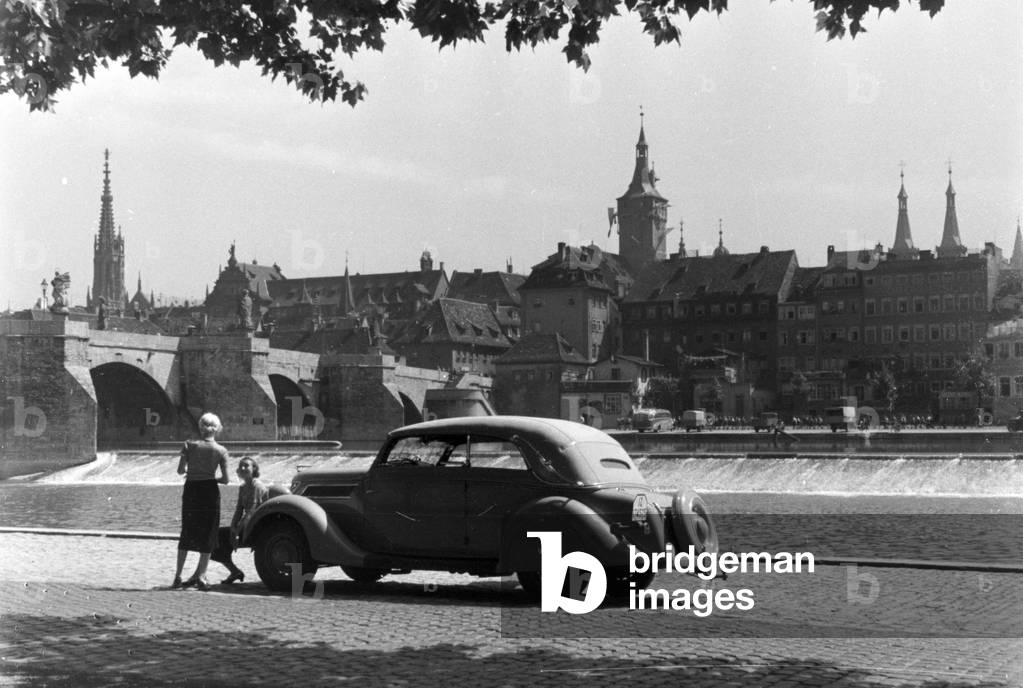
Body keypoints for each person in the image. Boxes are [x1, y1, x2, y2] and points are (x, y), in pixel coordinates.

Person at [172, 412, 229, 591]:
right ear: (217, 429)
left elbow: (180, 471)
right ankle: (202, 576)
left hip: (191, 490)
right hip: (210, 491)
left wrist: (192, 472)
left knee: (187, 531)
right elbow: (226, 479)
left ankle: (177, 576)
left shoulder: (189, 445)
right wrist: (211, 477)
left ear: (200, 427)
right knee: (209, 533)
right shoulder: (221, 450)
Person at [211, 456, 270, 584]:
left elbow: (251, 511)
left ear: (254, 469)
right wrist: (233, 527)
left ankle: (234, 572)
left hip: (258, 527)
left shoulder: (257, 486)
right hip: (247, 525)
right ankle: (235, 571)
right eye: (240, 466)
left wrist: (237, 532)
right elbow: (239, 510)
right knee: (216, 536)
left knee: (220, 537)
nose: (243, 468)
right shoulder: (243, 487)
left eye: (246, 466)